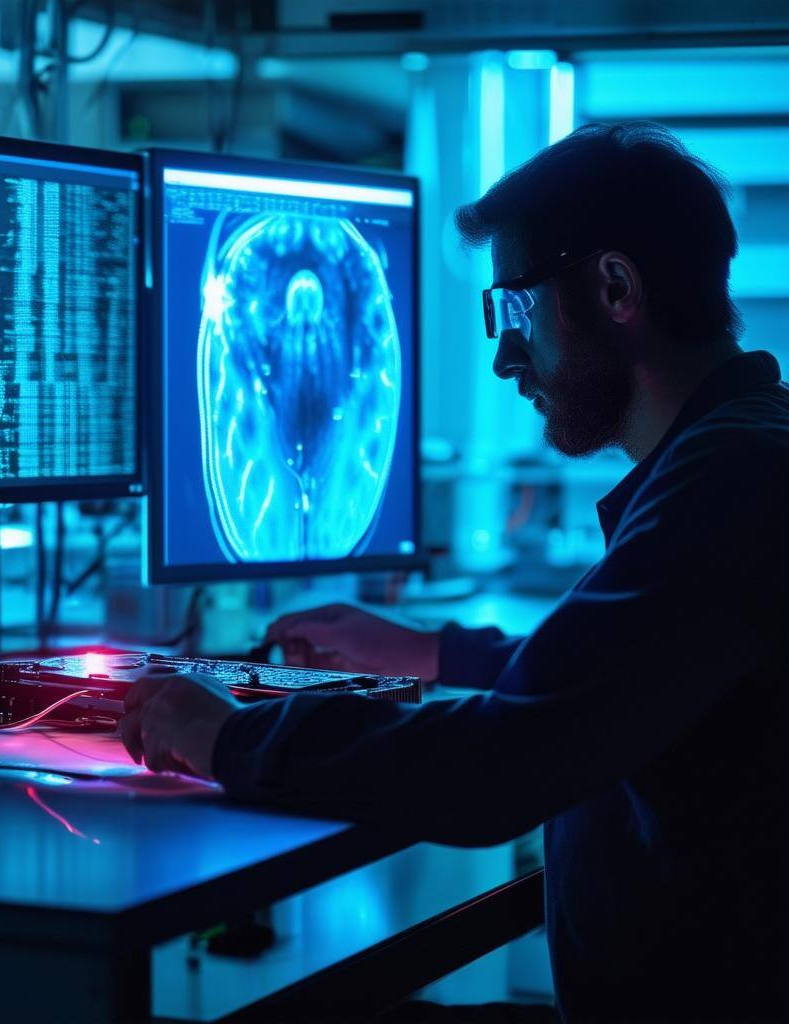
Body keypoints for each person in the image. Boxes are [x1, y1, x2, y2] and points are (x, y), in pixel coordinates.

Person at [120, 123, 788, 1023]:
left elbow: (500, 769)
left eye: (513, 310)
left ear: (616, 288)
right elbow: (636, 676)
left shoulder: (730, 485)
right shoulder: (740, 450)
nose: (508, 359)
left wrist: (226, 739)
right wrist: (438, 654)